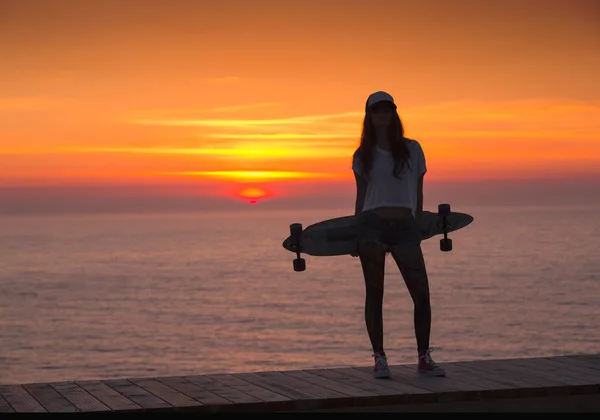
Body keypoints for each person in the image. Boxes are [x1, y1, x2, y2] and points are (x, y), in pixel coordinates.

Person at [351, 91, 445, 378]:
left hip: (404, 227)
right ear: (369, 116)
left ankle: (424, 357)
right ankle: (379, 358)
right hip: (371, 226)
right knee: (375, 294)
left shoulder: (413, 149)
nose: (383, 114)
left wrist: (416, 224)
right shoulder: (362, 155)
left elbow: (418, 191)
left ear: (394, 114)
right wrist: (356, 231)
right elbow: (362, 195)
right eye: (377, 110)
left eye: (387, 109)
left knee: (421, 294)